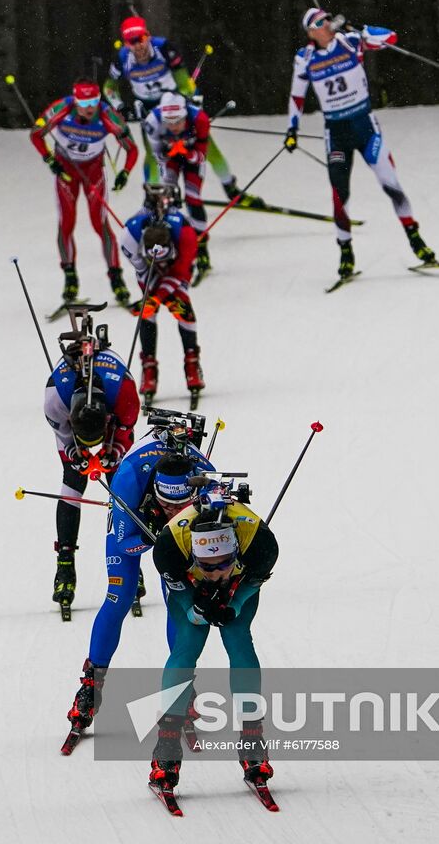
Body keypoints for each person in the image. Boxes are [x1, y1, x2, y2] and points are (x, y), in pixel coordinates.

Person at [65, 431, 215, 737]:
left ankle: (182, 682)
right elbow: (123, 542)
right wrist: (152, 535)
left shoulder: (208, 483)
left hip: (174, 528)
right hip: (136, 521)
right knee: (120, 595)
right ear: (157, 492)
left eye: (180, 504)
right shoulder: (128, 481)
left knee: (179, 602)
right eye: (167, 504)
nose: (174, 510)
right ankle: (91, 685)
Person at [284, 8, 436, 278]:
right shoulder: (304, 58)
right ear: (311, 32)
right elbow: (297, 95)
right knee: (340, 194)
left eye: (328, 19)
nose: (327, 24)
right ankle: (346, 253)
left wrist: (362, 30)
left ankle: (417, 241)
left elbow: (391, 38)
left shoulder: (350, 42)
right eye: (320, 22)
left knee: (391, 184)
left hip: (364, 127)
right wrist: (292, 129)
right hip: (337, 133)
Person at [148, 496, 279, 794]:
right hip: (187, 581)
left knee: (238, 639)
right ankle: (166, 747)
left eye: (223, 563)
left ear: (236, 550)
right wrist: (196, 609)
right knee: (187, 644)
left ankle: (252, 740)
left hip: (241, 580)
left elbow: (250, 585)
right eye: (206, 565)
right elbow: (180, 592)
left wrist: (233, 604)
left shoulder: (261, 544)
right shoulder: (170, 548)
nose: (216, 573)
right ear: (194, 553)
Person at [104, 16, 257, 206]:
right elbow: (109, 88)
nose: (138, 46)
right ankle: (151, 197)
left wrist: (186, 101)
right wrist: (120, 107)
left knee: (207, 147)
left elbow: (185, 82)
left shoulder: (164, 48)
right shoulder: (121, 59)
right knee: (153, 155)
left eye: (141, 39)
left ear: (148, 36)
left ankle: (232, 190)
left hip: (175, 107)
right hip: (149, 111)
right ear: (126, 44)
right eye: (131, 42)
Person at [45, 320, 141, 608]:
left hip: (113, 400)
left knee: (120, 478)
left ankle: (131, 558)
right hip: (76, 405)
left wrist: (113, 451)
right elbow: (66, 445)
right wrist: (77, 455)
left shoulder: (125, 395)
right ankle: (65, 564)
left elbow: (125, 432)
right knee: (73, 480)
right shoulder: (55, 401)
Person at [30, 78, 137, 304]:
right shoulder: (61, 108)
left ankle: (116, 278)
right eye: (84, 101)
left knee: (100, 224)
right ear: (75, 100)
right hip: (67, 172)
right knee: (67, 222)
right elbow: (36, 134)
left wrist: (125, 172)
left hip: (93, 173)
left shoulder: (108, 116)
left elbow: (132, 149)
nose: (90, 107)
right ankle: (70, 277)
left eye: (94, 101)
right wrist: (50, 159)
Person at [120, 209, 205, 406]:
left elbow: (180, 273)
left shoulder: (187, 237)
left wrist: (160, 299)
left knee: (183, 307)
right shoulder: (129, 239)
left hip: (177, 267)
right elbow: (142, 273)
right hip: (146, 269)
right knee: (147, 312)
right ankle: (148, 367)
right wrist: (151, 301)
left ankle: (192, 364)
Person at [142, 92, 213, 277]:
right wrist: (171, 151)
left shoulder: (200, 119)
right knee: (165, 198)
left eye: (178, 121)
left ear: (185, 116)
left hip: (192, 159)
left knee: (193, 198)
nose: (173, 127)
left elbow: (202, 155)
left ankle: (202, 247)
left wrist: (187, 152)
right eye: (168, 122)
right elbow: (157, 155)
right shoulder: (152, 122)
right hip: (170, 160)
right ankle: (169, 245)